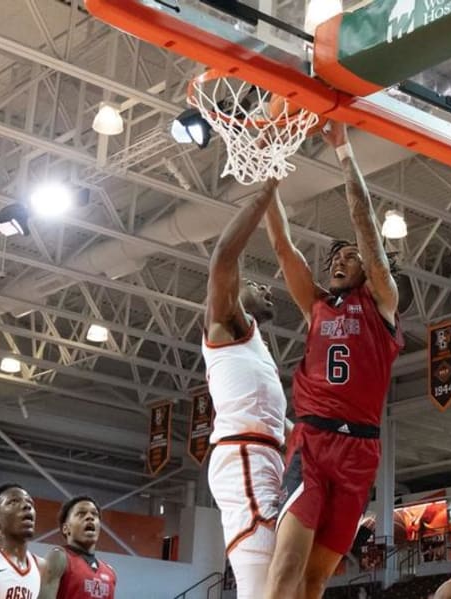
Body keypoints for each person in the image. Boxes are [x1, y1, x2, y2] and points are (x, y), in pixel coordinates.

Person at [262, 121, 403, 599]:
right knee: (286, 570)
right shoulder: (317, 306)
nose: (337, 262)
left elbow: (365, 226)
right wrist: (270, 173)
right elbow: (283, 246)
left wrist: (344, 149)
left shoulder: (382, 303)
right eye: (333, 259)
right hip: (314, 443)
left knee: (316, 580)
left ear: (367, 264)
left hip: (360, 453)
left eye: (347, 256)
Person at [202, 178, 289, 599]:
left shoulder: (257, 348)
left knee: (281, 579)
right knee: (262, 581)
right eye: (254, 284)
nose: (266, 287)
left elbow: (280, 421)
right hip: (244, 453)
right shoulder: (224, 327)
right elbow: (222, 258)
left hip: (263, 454)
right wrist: (264, 188)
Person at [37, 496, 117, 599]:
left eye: (94, 514)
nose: (90, 517)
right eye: (81, 514)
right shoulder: (59, 557)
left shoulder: (110, 573)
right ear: (66, 528)